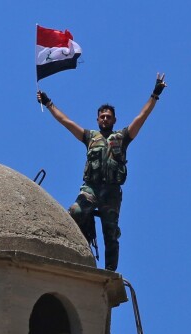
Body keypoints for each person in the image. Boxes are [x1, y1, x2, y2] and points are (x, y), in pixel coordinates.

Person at [37, 73, 167, 271]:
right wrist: (48, 103)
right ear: (97, 119)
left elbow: (142, 117)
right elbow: (66, 121)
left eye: (109, 116)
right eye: (102, 116)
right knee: (75, 212)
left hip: (111, 192)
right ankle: (74, 249)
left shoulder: (122, 137)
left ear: (114, 119)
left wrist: (155, 94)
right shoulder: (90, 137)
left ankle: (109, 273)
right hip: (91, 188)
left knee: (111, 233)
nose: (105, 119)